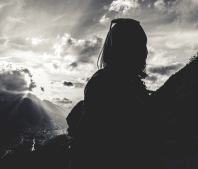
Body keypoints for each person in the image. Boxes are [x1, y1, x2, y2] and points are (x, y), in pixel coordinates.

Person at [68, 18, 163, 169]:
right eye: (134, 46)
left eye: (141, 45)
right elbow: (86, 146)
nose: (143, 52)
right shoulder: (106, 85)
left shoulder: (127, 83)